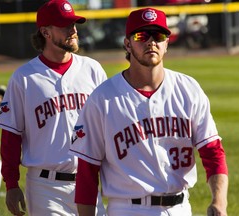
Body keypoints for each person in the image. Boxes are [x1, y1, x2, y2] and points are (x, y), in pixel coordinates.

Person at [69, 7, 228, 216]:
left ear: (166, 43)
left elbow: (213, 152)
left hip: (180, 208)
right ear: (127, 43)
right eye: (142, 35)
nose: (151, 42)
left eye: (159, 35)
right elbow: (87, 172)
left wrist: (219, 201)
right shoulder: (103, 99)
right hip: (128, 209)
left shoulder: (188, 89)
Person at [0, 0, 107, 215]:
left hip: (88, 183)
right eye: (65, 26)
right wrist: (11, 184)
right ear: (45, 32)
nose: (73, 30)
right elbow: (10, 136)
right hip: (45, 188)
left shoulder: (92, 70)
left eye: (74, 24)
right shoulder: (24, 78)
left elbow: (108, 126)